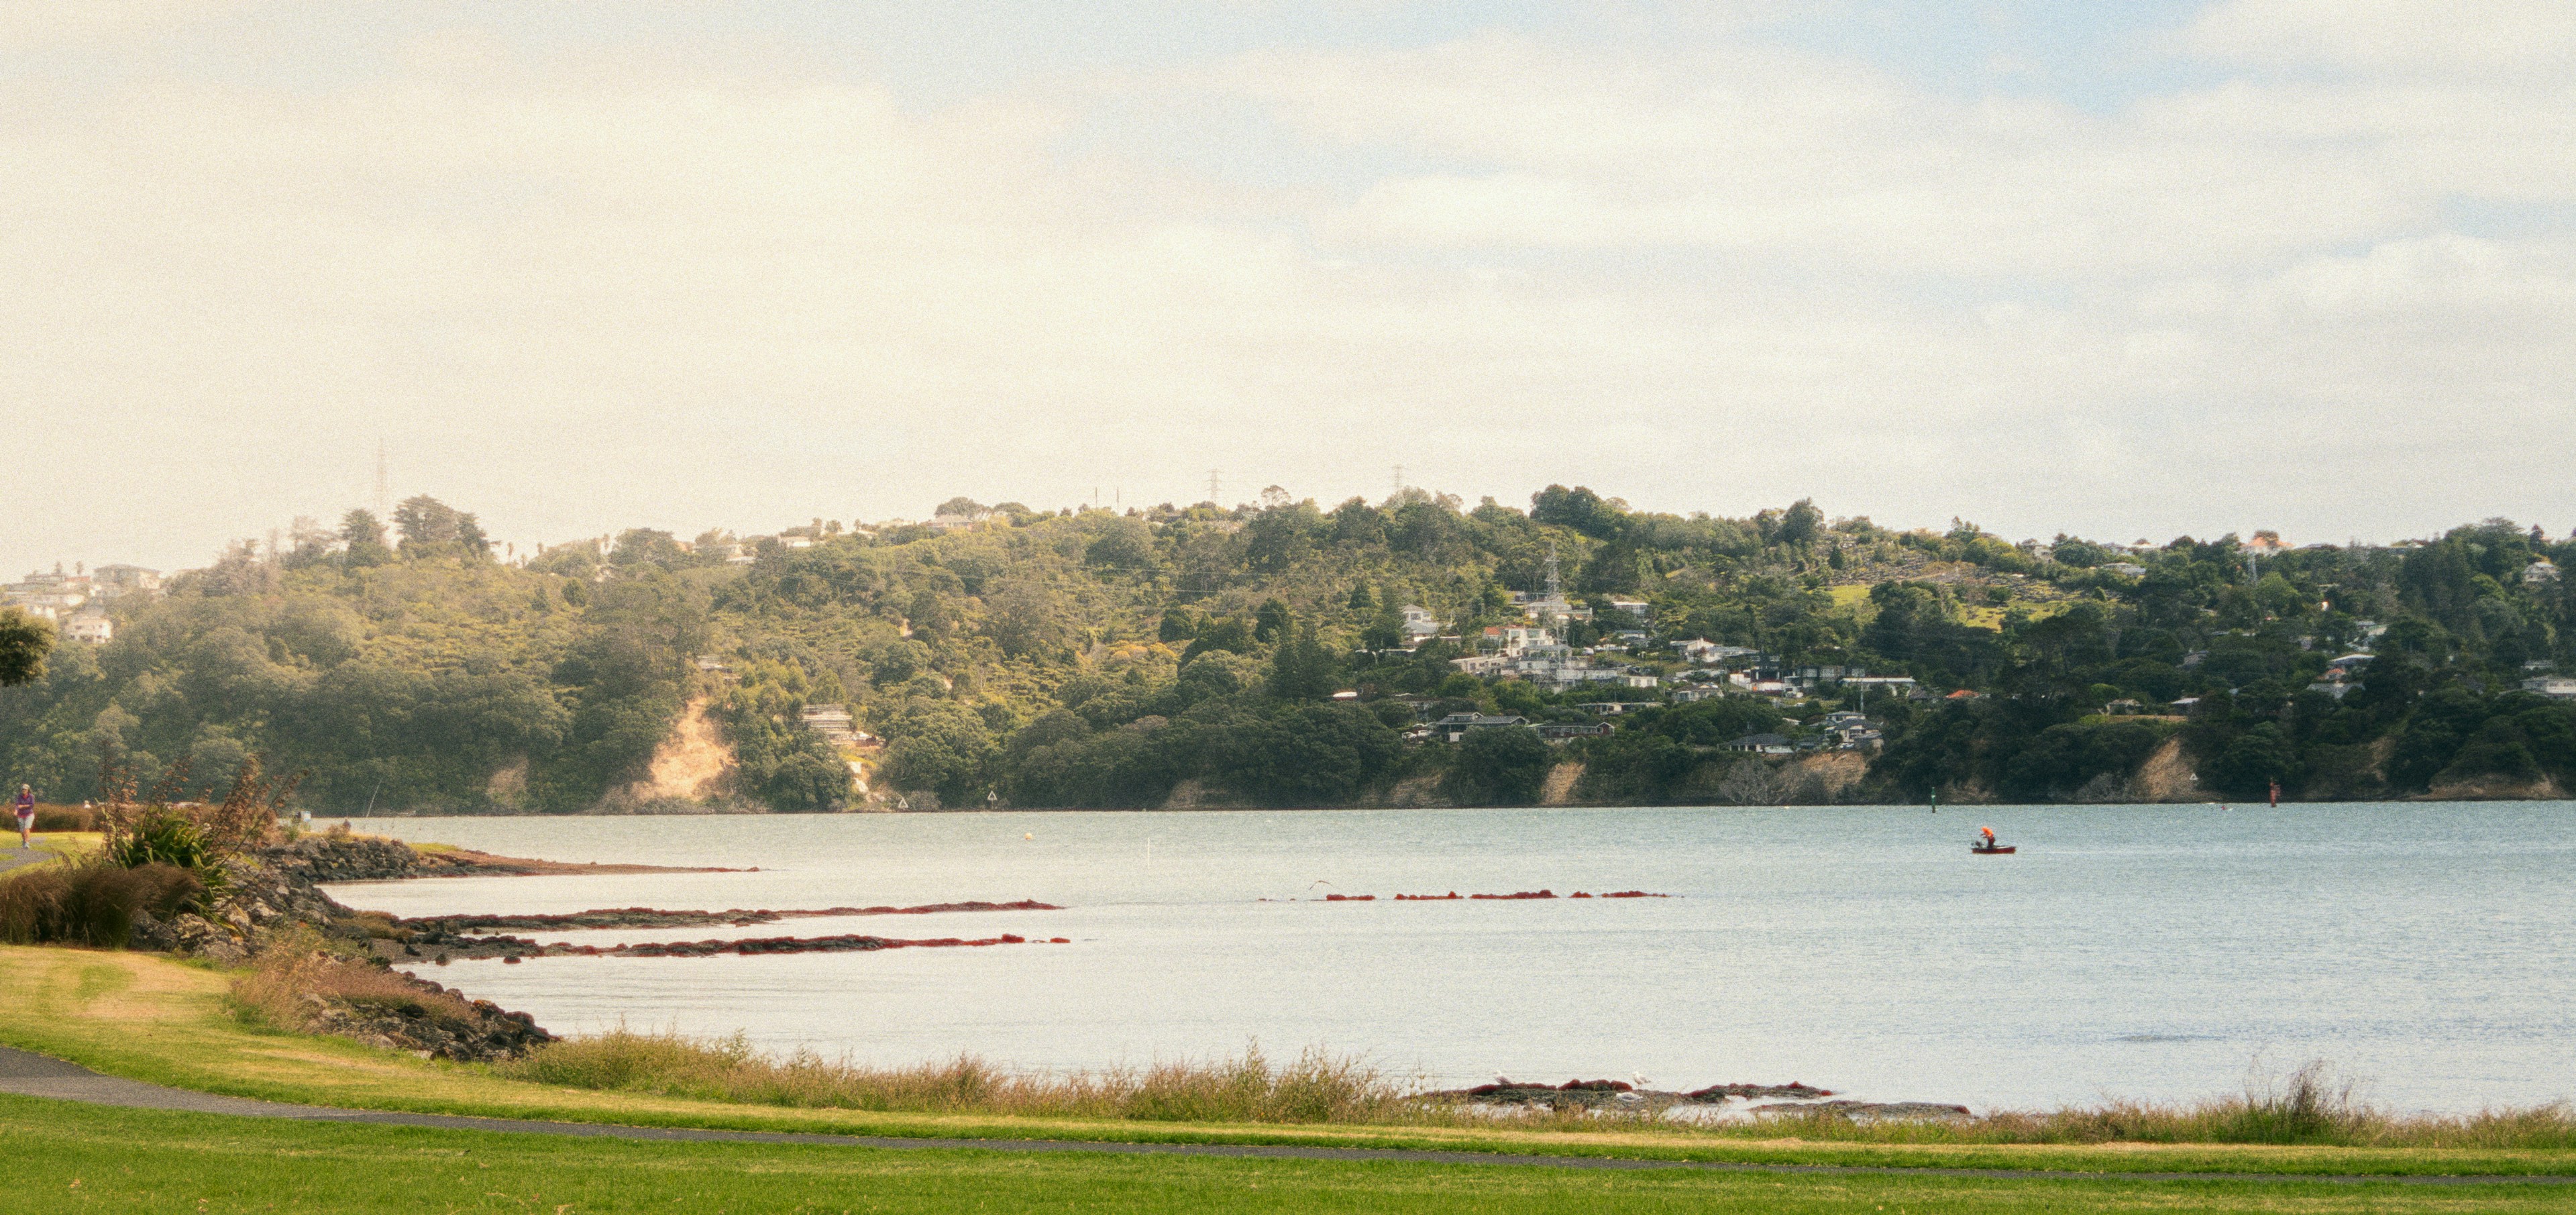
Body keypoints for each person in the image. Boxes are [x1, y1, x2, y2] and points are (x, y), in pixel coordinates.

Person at [13, 785, 34, 850]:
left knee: (26, 829)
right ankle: (24, 841)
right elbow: (17, 805)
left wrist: (22, 806)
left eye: (25, 789)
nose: (24, 790)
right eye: (23, 789)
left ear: (28, 790)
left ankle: (27, 843)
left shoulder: (31, 797)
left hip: (29, 814)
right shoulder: (19, 797)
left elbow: (31, 805)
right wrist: (16, 811)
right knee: (22, 831)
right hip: (21, 815)